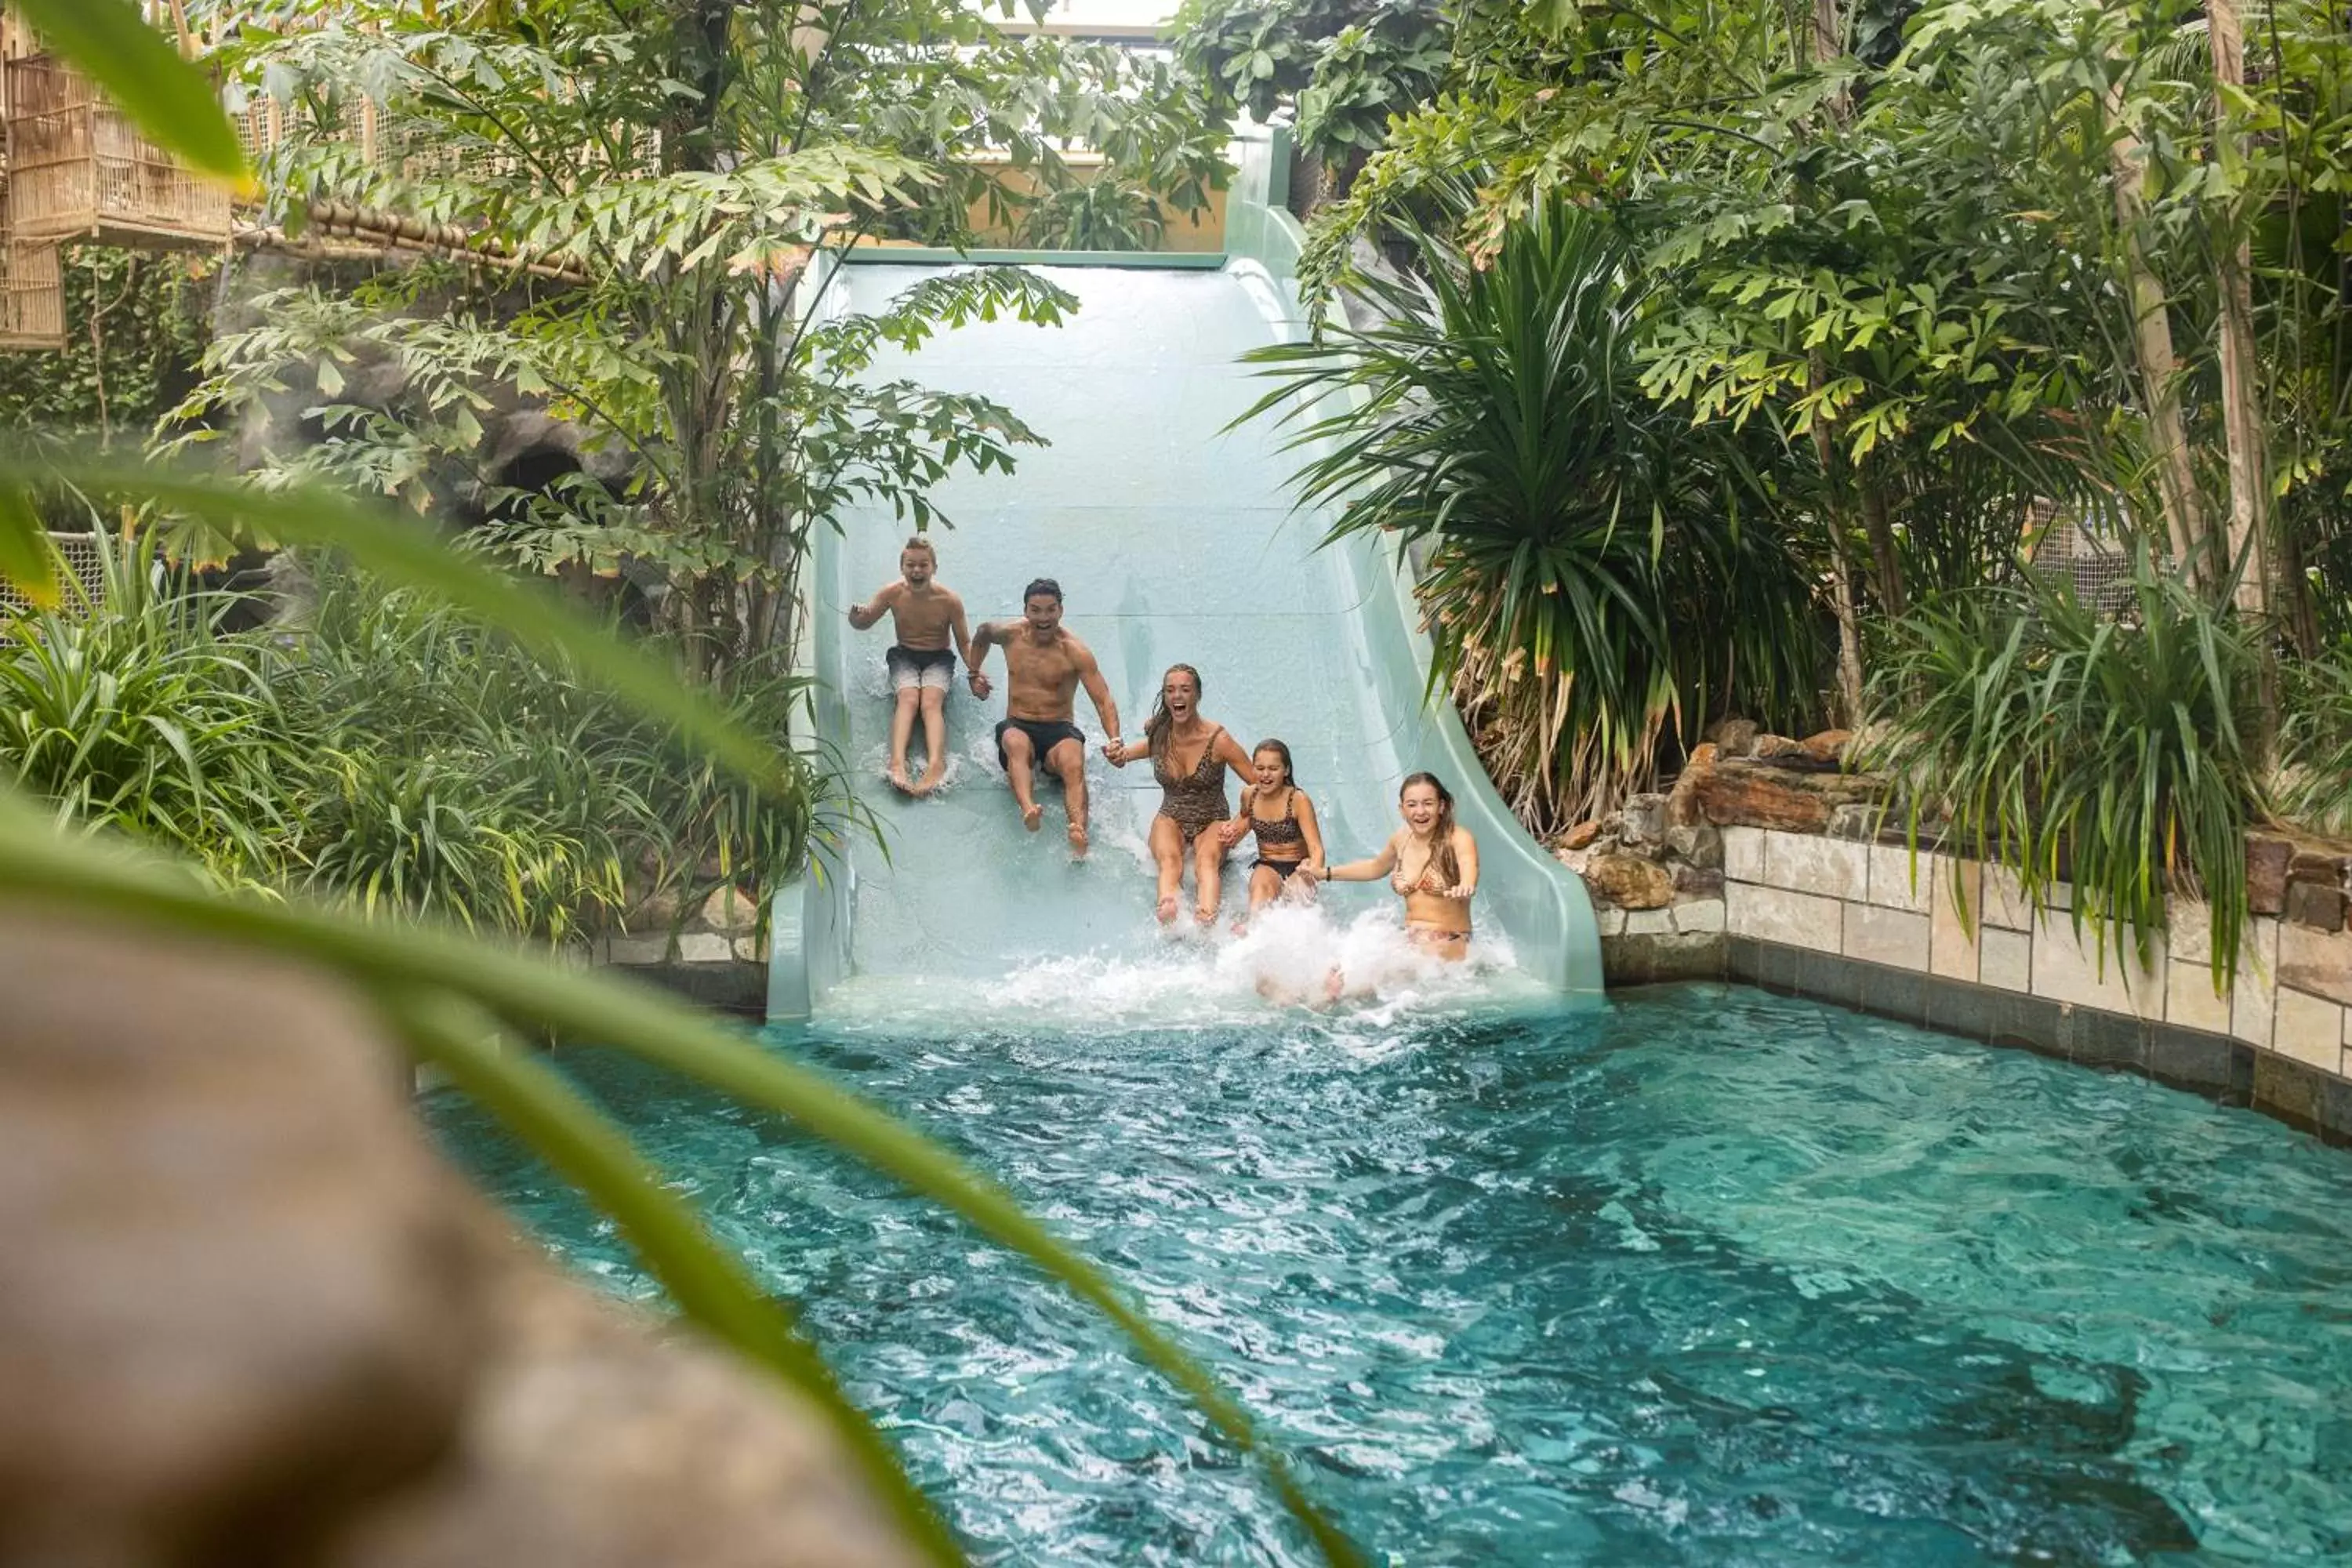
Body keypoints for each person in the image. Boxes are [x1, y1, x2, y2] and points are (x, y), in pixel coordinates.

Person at [964, 578, 1120, 855]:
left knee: (1073, 761)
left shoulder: (1075, 651)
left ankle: (1078, 831)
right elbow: (983, 633)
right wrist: (974, 673)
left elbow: (1103, 698)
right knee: (1015, 742)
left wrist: (1115, 739)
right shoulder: (1011, 635)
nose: (1043, 618)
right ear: (1025, 610)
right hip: (1019, 723)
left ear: (1061, 610)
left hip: (1059, 728)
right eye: (1036, 610)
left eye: (1050, 610)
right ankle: (1029, 809)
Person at [1107, 664, 1255, 926]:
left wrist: (1240, 825)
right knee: (1169, 860)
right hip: (1171, 815)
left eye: (1185, 690)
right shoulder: (1161, 734)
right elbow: (1144, 749)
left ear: (1197, 696)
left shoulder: (1218, 740)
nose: (1177, 696)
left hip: (1212, 818)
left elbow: (1262, 787)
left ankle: (1206, 916)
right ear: (1165, 697)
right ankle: (1168, 909)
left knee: (1206, 861)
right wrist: (1122, 755)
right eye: (1170, 690)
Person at [845, 535, 975, 796]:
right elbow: (864, 623)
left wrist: (975, 672)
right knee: (908, 699)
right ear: (902, 568)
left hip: (939, 657)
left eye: (923, 565)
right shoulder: (892, 593)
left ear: (934, 568)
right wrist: (855, 618)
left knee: (930, 702)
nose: (917, 571)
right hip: (904, 656)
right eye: (911, 565)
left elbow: (964, 642)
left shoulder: (950, 600)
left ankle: (936, 764)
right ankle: (897, 763)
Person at [1324, 771, 1480, 959]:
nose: (1420, 811)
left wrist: (1466, 885)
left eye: (1428, 803)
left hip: (1449, 940)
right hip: (1411, 938)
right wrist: (1325, 873)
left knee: (1380, 972)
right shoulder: (1401, 839)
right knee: (1340, 971)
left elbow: (1468, 863)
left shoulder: (1457, 837)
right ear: (1402, 810)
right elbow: (1375, 867)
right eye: (1412, 805)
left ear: (1441, 806)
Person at [1218, 738, 1326, 930]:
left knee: (1296, 904)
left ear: (1286, 771)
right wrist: (1232, 832)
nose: (1265, 775)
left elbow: (1316, 847)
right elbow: (1245, 820)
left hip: (1298, 866)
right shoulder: (1249, 795)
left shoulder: (1298, 800)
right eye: (1259, 768)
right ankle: (1252, 935)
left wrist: (1313, 868)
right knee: (1259, 898)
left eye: (1273, 769)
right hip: (1268, 864)